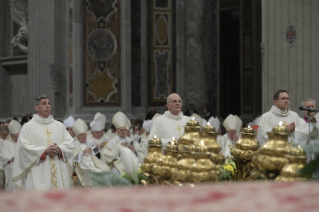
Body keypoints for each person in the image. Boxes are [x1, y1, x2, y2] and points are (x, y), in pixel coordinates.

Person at [12, 94, 74, 191]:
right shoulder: (28, 127)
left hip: (58, 168)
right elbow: (24, 148)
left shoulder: (59, 126)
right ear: (36, 107)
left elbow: (70, 143)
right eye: (43, 104)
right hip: (38, 170)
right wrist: (45, 151)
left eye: (49, 103)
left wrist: (60, 149)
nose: (48, 106)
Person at [72, 119, 110, 187]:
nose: (84, 136)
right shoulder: (74, 144)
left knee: (105, 169)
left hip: (93, 163)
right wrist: (83, 152)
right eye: (81, 135)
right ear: (77, 136)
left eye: (85, 134)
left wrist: (97, 150)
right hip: (83, 166)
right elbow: (73, 158)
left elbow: (98, 156)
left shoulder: (89, 142)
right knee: (93, 172)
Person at [0, 120, 21, 191]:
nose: (17, 138)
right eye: (15, 136)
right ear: (11, 135)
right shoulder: (6, 143)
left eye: (18, 136)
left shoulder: (22, 144)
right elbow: (3, 156)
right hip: (10, 168)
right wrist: (11, 159)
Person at [300, 98, 319, 163]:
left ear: (315, 107)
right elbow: (297, 139)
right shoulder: (299, 123)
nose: (310, 108)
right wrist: (308, 136)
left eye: (312, 106)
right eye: (308, 107)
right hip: (306, 153)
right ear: (303, 110)